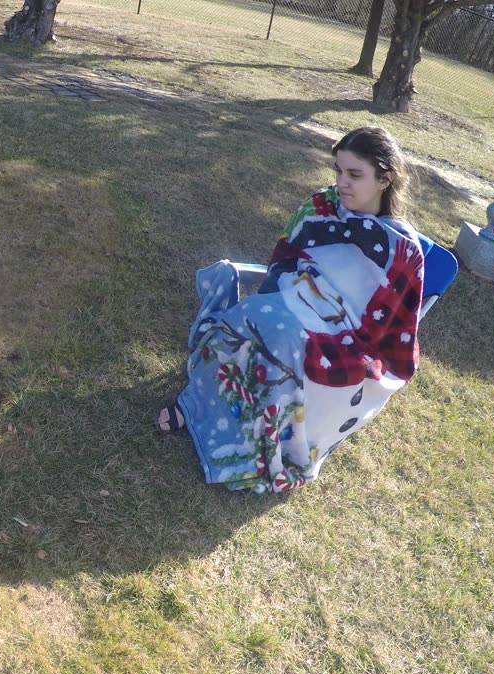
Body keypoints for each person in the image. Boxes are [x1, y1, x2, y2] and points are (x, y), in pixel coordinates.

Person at [156, 126, 424, 494]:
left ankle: (252, 446)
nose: (342, 183)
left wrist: (328, 322)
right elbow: (287, 260)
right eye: (339, 171)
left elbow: (390, 326)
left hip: (348, 337)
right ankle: (198, 408)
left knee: (276, 336)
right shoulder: (323, 208)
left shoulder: (401, 249)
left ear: (385, 179)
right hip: (295, 298)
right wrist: (298, 294)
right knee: (250, 317)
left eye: (355, 175)